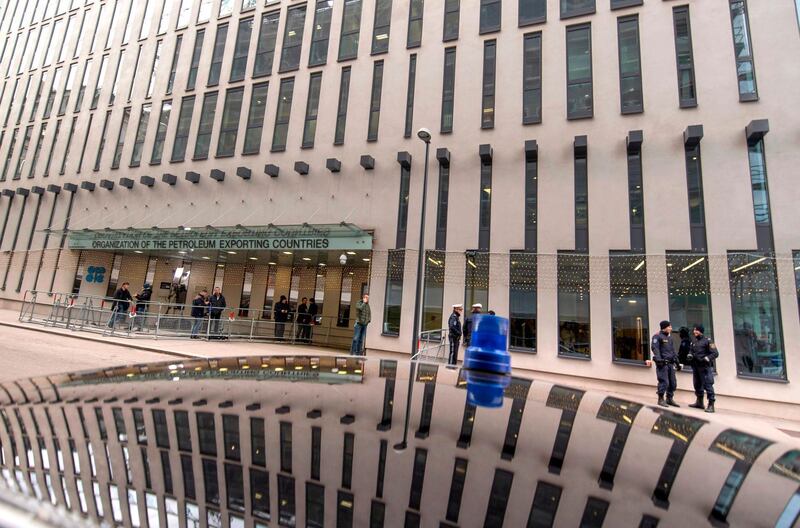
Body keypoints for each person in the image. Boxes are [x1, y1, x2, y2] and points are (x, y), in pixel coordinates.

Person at [687, 324, 718, 413]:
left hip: (704, 367)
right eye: (694, 330)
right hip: (696, 366)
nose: (694, 332)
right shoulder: (694, 341)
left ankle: (711, 405)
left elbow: (715, 353)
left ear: (700, 331)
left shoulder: (708, 341)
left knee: (708, 385)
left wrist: (706, 358)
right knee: (697, 384)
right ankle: (699, 402)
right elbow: (691, 351)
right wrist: (690, 355)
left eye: (696, 330)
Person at [651, 321, 680, 407]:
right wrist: (659, 359)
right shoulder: (657, 336)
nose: (671, 328)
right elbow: (655, 348)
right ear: (665, 327)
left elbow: (673, 350)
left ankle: (669, 398)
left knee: (672, 383)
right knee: (664, 382)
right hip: (663, 363)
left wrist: (677, 361)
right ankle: (660, 399)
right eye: (669, 327)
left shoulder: (670, 338)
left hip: (670, 363)